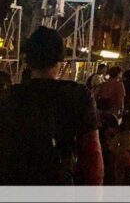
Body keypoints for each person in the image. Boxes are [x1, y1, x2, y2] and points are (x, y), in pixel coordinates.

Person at [0, 27, 103, 185]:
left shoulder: (9, 97)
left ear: (28, 61)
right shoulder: (78, 96)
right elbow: (92, 156)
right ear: (59, 61)